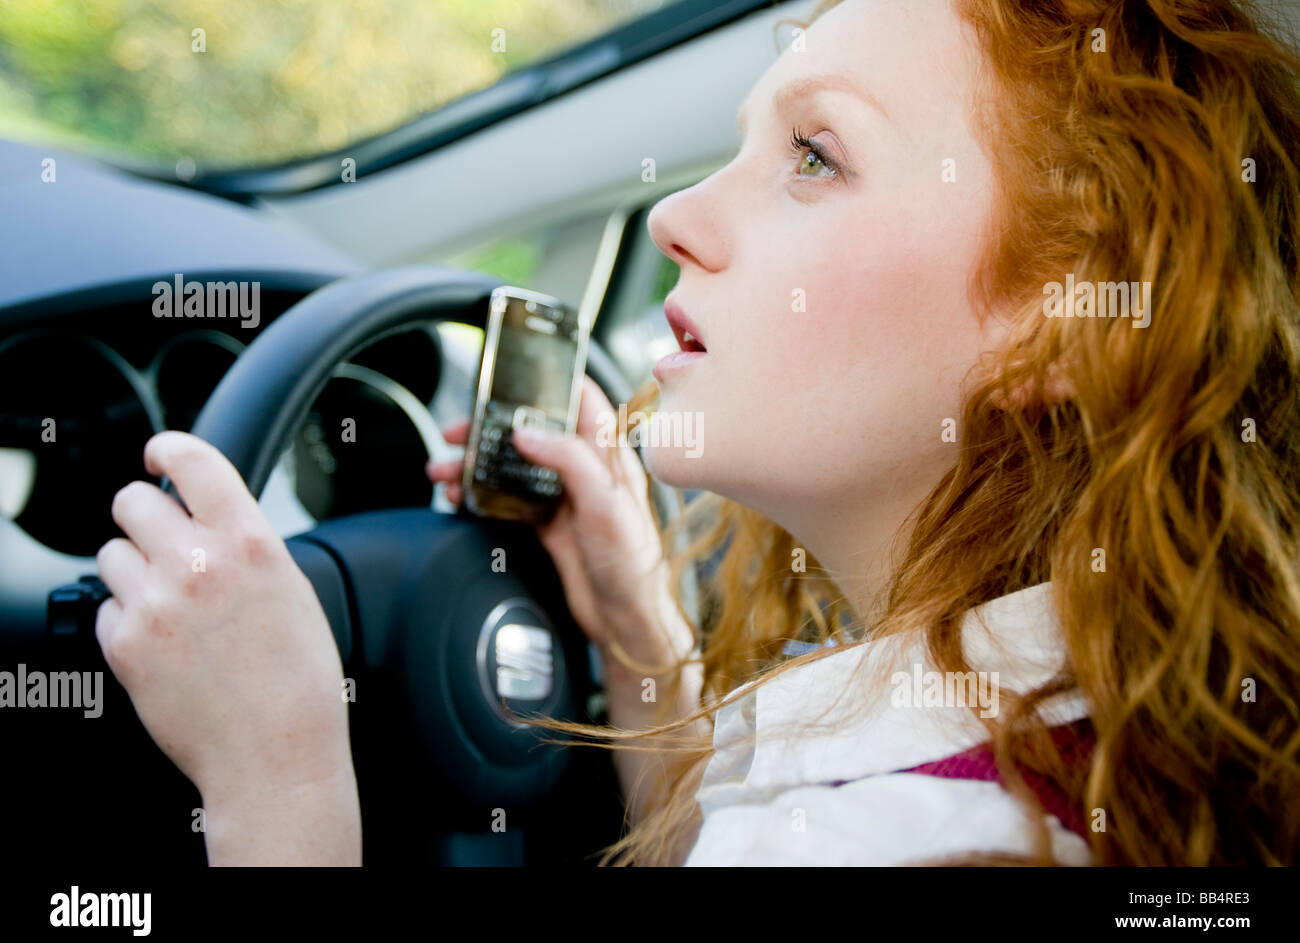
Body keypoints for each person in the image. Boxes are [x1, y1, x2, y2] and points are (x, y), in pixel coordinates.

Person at [95, 0, 1300, 866]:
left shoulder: (900, 837)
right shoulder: (1102, 739)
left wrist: (282, 778)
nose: (673, 212)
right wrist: (635, 624)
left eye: (814, 155)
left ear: (1058, 329)